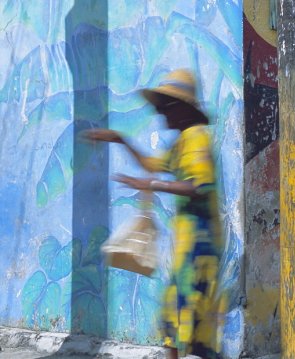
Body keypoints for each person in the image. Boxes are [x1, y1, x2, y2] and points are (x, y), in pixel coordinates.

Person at [85, 69, 224, 359]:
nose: (160, 114)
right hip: (189, 247)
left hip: (199, 249)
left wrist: (151, 184)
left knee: (188, 320)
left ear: (182, 108)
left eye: (164, 107)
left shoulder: (196, 137)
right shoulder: (183, 140)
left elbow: (200, 185)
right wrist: (120, 139)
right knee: (174, 317)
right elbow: (151, 165)